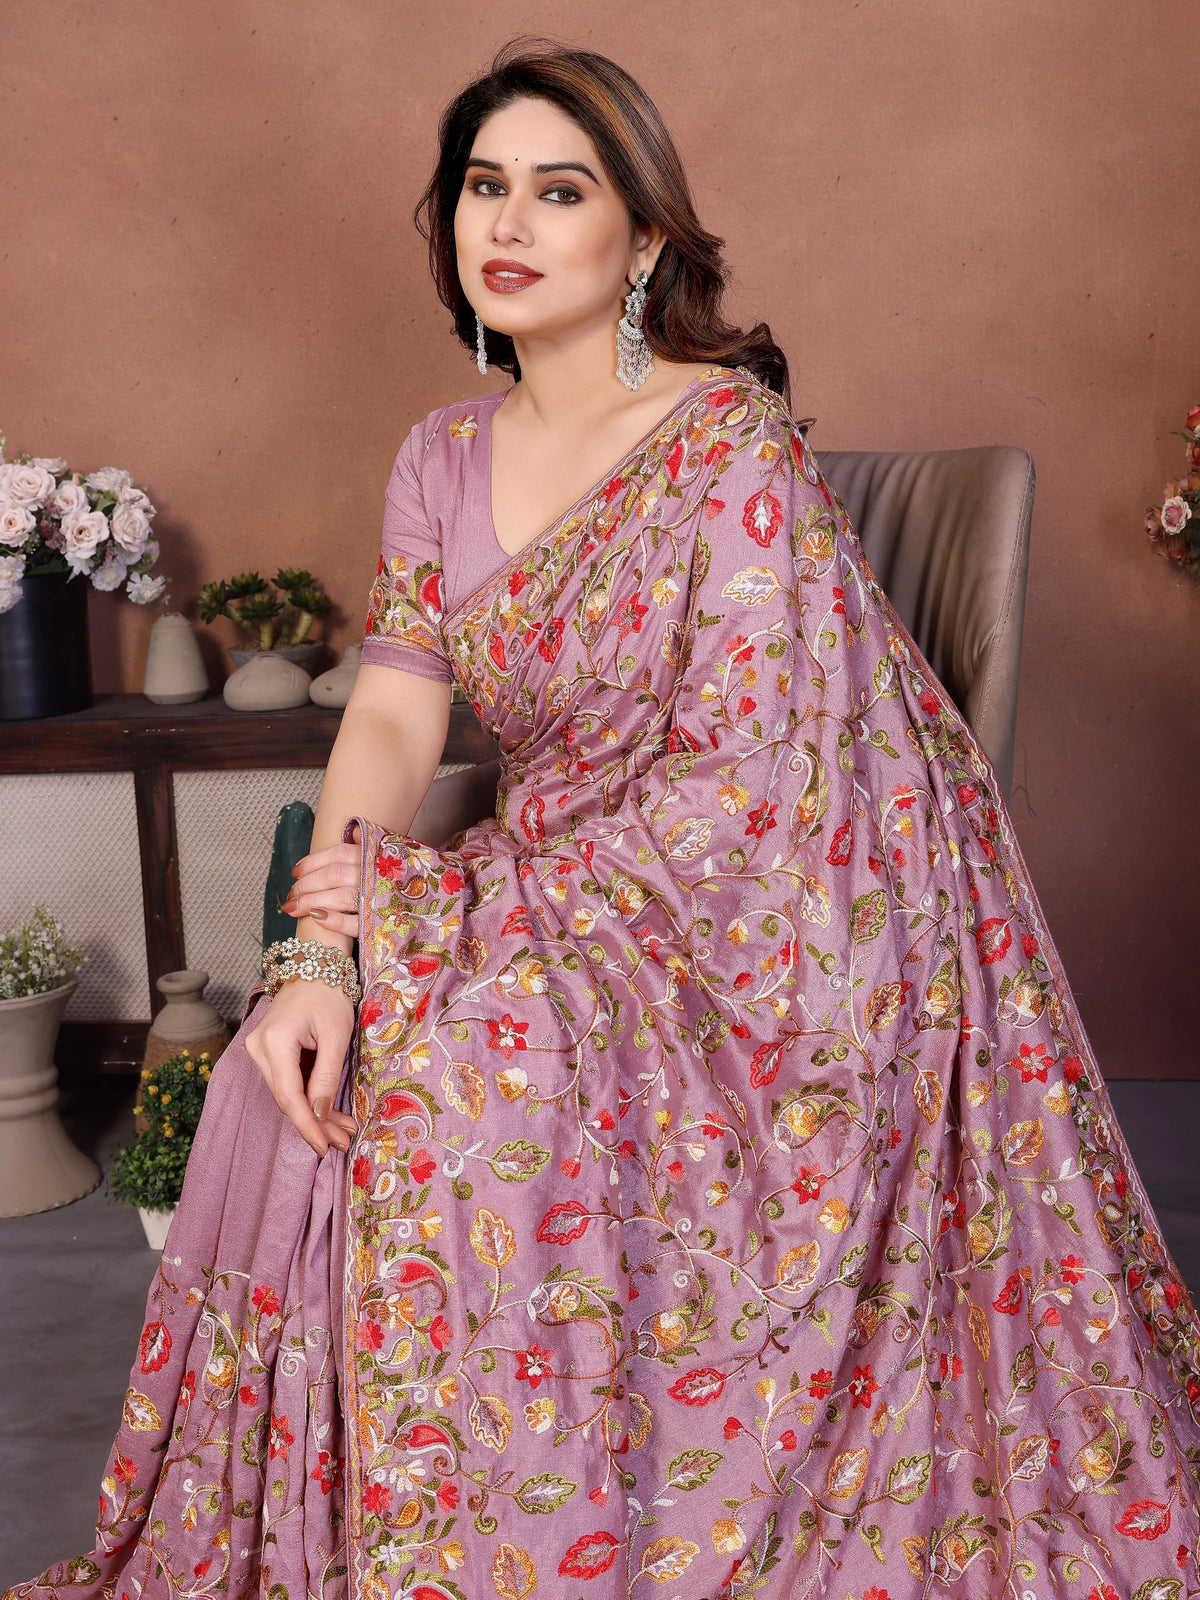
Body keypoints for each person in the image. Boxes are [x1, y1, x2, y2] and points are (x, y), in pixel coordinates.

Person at [8, 37, 1200, 1600]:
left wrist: (450, 917)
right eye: (481, 187)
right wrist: (319, 948)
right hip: (554, 882)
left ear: (642, 241)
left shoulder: (729, 449)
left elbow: (762, 789)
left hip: (758, 933)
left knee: (468, 1045)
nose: (505, 220)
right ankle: (379, 1530)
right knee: (304, 1050)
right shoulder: (440, 455)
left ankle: (570, 1527)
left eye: (557, 190)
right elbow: (391, 709)